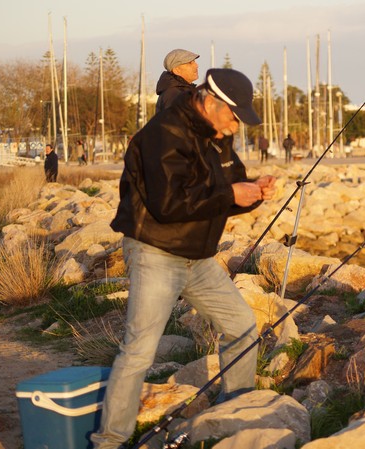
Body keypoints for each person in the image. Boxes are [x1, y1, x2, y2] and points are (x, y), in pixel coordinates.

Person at [91, 68, 276, 449]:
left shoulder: (218, 134)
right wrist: (231, 194)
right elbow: (170, 203)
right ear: (211, 102)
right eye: (233, 116)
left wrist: (252, 192)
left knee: (241, 324)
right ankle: (109, 442)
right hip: (155, 250)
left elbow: (224, 190)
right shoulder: (164, 134)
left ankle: (232, 417)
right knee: (139, 348)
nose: (236, 127)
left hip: (197, 256)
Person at [155, 48, 200, 113]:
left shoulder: (179, 91)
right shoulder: (174, 95)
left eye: (194, 62)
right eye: (190, 63)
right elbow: (174, 122)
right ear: (177, 70)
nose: (196, 65)